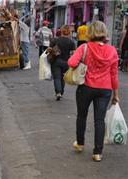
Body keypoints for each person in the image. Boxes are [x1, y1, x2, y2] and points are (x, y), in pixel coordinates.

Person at [68, 21, 119, 162]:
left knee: (82, 116)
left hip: (86, 87)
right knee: (99, 120)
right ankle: (97, 152)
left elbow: (71, 63)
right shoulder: (112, 50)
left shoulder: (84, 47)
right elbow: (114, 74)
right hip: (105, 89)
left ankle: (80, 143)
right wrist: (116, 95)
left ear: (90, 32)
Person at [49, 25, 76, 100]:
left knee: (57, 78)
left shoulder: (55, 40)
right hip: (66, 62)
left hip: (56, 61)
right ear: (69, 32)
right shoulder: (71, 42)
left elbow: (49, 50)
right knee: (63, 78)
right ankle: (61, 92)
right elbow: (73, 53)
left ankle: (58, 92)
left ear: (61, 31)